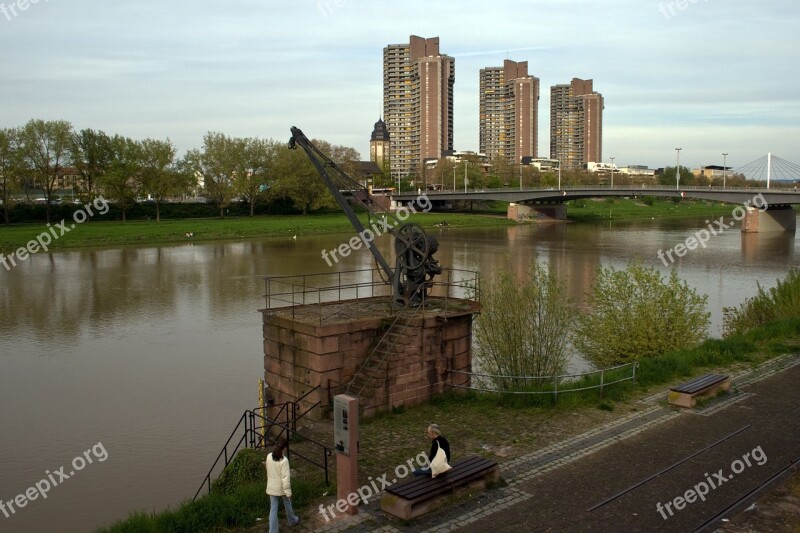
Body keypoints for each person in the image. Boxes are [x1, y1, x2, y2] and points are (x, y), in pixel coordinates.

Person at [265, 437, 300, 532]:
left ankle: (272, 531)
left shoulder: (268, 456)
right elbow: (286, 479)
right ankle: (292, 520)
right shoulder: (284, 461)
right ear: (285, 448)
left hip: (271, 487)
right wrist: (288, 493)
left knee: (273, 509)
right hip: (282, 488)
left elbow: (267, 470)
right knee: (287, 503)